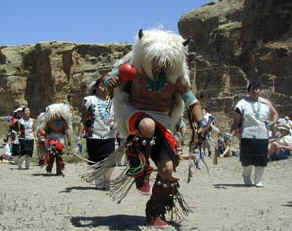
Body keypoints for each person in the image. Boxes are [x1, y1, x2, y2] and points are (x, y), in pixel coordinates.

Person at [82, 29, 208, 228]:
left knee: (167, 169)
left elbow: (193, 103)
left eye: (164, 60)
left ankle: (154, 211)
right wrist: (111, 81)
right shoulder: (134, 67)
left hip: (164, 122)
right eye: (156, 59)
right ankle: (138, 166)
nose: (160, 65)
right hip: (134, 114)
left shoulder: (177, 78)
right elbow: (107, 80)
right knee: (147, 126)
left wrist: (202, 123)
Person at [230, 81, 278, 187]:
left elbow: (275, 114)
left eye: (257, 89)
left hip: (262, 134)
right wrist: (232, 132)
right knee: (247, 159)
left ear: (260, 90)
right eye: (253, 89)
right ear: (249, 90)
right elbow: (236, 120)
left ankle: (258, 180)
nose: (255, 91)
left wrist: (272, 122)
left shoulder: (266, 102)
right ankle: (246, 176)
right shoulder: (242, 103)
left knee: (261, 159)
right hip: (248, 134)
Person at [77, 78, 116, 189]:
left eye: (107, 86)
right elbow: (83, 120)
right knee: (96, 161)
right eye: (102, 85)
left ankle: (107, 179)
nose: (104, 88)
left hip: (109, 135)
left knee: (111, 162)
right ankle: (99, 181)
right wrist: (78, 139)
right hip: (93, 136)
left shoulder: (113, 102)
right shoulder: (89, 100)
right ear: (96, 87)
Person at [37, 103, 72, 176]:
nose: (57, 115)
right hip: (51, 138)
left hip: (61, 139)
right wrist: (42, 134)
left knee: (59, 155)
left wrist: (69, 143)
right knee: (52, 152)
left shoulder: (63, 122)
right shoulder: (49, 121)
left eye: (58, 114)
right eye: (55, 114)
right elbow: (44, 130)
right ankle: (49, 166)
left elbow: (67, 131)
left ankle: (59, 170)